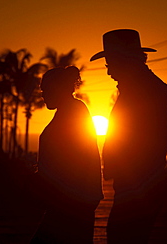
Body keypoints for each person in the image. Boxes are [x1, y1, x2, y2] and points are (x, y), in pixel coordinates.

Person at [90, 29, 167, 244]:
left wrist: (128, 163)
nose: (109, 71)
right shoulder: (143, 88)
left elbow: (165, 135)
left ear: (127, 60)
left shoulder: (150, 90)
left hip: (140, 185)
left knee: (124, 236)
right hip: (137, 184)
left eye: (111, 64)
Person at [30, 66, 103, 244]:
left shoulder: (73, 112)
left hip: (70, 202)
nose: (42, 94)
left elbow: (74, 161)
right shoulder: (70, 111)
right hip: (68, 201)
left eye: (45, 89)